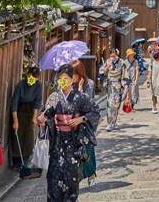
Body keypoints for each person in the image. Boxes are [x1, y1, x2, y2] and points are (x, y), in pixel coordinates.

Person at [37, 64, 102, 202]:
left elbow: (95, 111)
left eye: (65, 78)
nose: (62, 82)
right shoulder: (54, 97)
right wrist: (43, 122)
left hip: (73, 144)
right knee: (53, 180)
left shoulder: (80, 97)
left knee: (71, 181)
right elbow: (47, 116)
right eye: (59, 79)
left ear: (73, 79)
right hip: (57, 144)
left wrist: (81, 119)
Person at [9, 66, 43, 179]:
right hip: (19, 110)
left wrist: (34, 117)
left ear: (37, 78)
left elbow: (37, 102)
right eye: (28, 78)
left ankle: (25, 161)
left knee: (28, 136)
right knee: (17, 134)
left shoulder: (39, 86)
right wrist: (15, 121)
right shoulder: (20, 85)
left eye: (33, 79)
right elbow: (14, 104)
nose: (30, 81)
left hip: (30, 110)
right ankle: (17, 163)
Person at [70, 59, 98, 187]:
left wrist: (80, 90)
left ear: (80, 73)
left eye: (73, 74)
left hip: (86, 120)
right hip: (73, 122)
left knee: (87, 149)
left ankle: (91, 173)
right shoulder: (70, 85)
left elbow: (86, 104)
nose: (72, 77)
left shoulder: (89, 84)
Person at [101, 48, 129, 130]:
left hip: (118, 85)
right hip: (110, 86)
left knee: (117, 104)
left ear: (117, 54)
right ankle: (109, 123)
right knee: (110, 104)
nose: (113, 56)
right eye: (111, 54)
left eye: (114, 54)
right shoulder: (107, 62)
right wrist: (106, 68)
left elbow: (125, 74)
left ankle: (115, 122)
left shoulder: (122, 62)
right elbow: (102, 73)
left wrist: (125, 85)